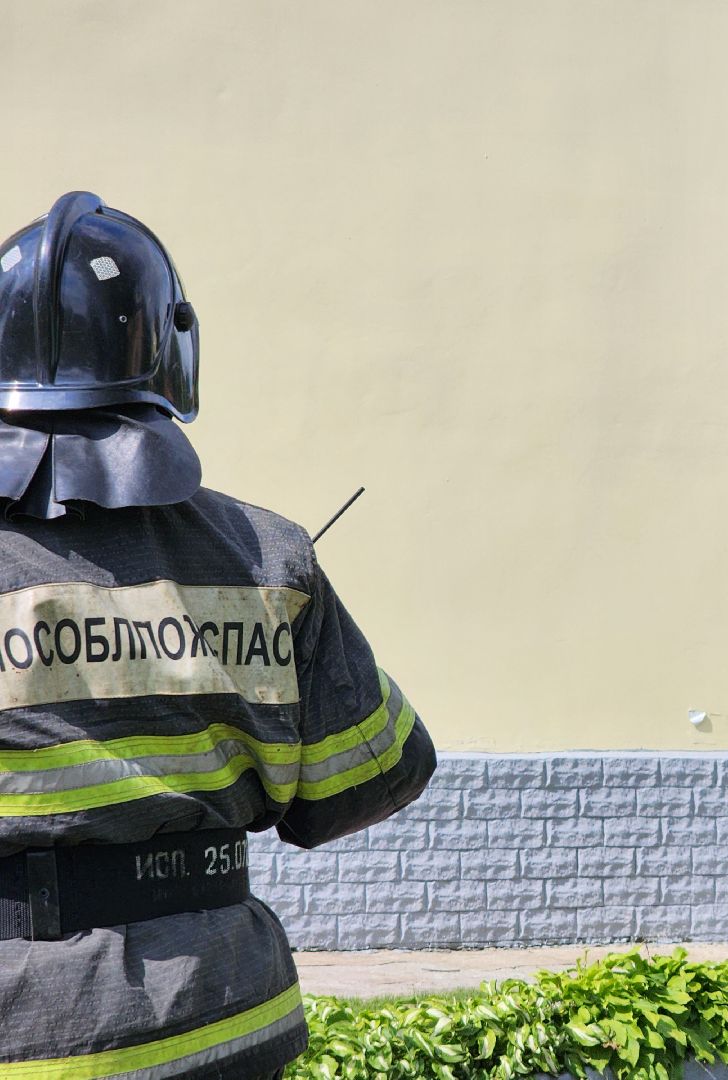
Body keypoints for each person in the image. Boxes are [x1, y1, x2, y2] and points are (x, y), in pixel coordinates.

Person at [0, 191, 436, 1078]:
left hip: (36, 1026)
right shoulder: (270, 555)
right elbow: (380, 774)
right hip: (229, 1016)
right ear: (171, 349)